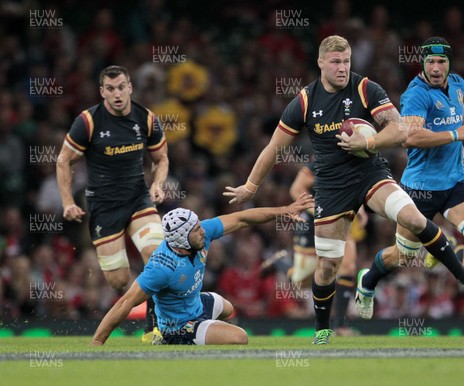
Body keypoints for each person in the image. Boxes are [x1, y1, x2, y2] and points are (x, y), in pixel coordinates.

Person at [224, 35, 464, 345]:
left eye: (347, 61)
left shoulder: (366, 88)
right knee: (327, 266)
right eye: (336, 62)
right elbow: (274, 147)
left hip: (370, 174)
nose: (342, 68)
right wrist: (250, 185)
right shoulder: (305, 101)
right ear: (321, 63)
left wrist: (369, 142)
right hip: (331, 186)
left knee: (414, 219)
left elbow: (400, 129)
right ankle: (323, 327)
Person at [354, 37, 464, 336]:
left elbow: (460, 111)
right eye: (430, 62)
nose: (436, 68)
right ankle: (368, 280)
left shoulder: (457, 83)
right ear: (423, 64)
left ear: (449, 63)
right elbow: (410, 138)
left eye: (441, 62)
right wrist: (456, 135)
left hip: (454, 184)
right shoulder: (416, 95)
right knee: (403, 256)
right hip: (419, 190)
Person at [90, 194, 313, 346]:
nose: (203, 232)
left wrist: (284, 210)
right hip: (177, 325)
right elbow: (125, 302)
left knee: (227, 308)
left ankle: (207, 331)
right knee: (240, 338)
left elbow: (241, 219)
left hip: (195, 303)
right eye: (196, 230)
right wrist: (98, 342)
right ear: (181, 239)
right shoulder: (161, 267)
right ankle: (173, 338)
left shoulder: (200, 233)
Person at [57, 65, 168, 343]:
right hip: (104, 207)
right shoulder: (88, 121)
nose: (117, 94)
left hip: (137, 200)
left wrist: (157, 185)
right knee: (118, 281)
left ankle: (155, 328)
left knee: (157, 256)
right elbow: (63, 160)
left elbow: (161, 158)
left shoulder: (147, 119)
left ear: (130, 87)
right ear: (102, 92)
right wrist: (68, 202)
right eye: (110, 89)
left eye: (121, 87)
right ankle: (134, 311)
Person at [289, 163, 366, 334]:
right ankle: (286, 267)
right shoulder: (321, 161)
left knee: (348, 267)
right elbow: (296, 189)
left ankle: (340, 325)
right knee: (302, 281)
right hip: (315, 223)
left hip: (341, 222)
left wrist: (360, 208)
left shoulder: (358, 162)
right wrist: (318, 211)